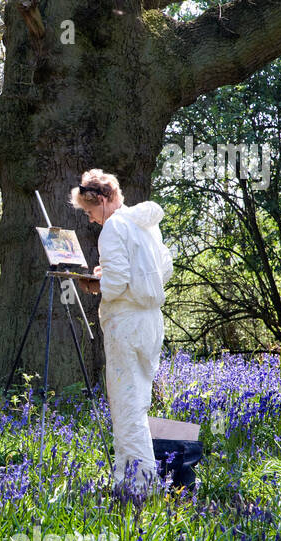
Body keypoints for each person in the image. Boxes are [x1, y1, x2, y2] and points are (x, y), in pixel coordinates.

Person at [70, 169, 173, 495]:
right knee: (138, 403)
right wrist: (111, 273)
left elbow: (115, 285)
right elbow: (161, 270)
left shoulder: (113, 227)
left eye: (89, 211)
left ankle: (140, 486)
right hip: (150, 323)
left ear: (101, 200)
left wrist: (93, 282)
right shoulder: (143, 225)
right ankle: (133, 478)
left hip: (126, 324)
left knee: (126, 406)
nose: (90, 220)